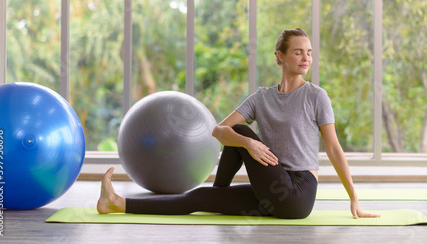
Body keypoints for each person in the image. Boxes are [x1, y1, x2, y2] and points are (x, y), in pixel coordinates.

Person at [97, 28, 380, 219]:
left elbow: (333, 149)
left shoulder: (316, 96)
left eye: (309, 52)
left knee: (241, 131)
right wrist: (248, 143)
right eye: (298, 52)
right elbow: (218, 130)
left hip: (298, 192)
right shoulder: (262, 98)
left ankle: (219, 193)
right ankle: (118, 204)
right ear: (281, 56)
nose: (306, 57)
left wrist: (353, 197)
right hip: (272, 187)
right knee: (199, 196)